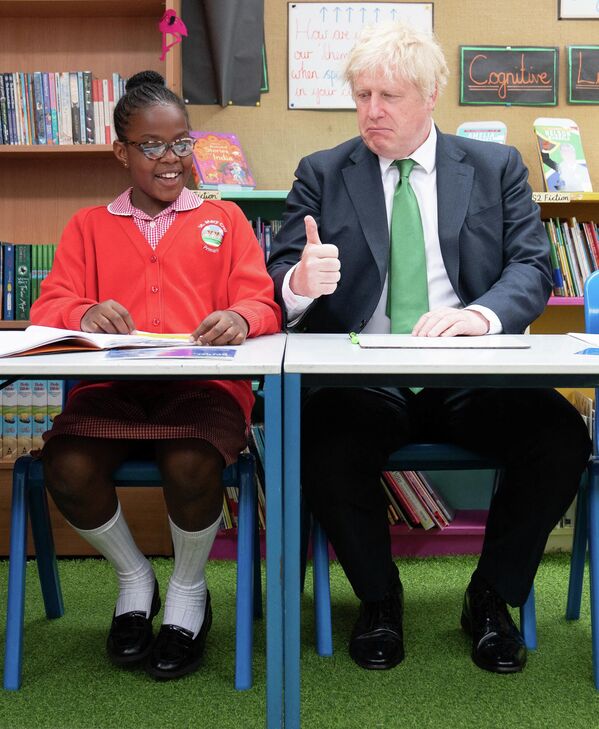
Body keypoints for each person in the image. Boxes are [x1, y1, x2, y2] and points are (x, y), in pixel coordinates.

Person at [267, 23, 591, 675]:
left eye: (387, 94)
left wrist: (480, 314)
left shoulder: (495, 167)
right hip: (365, 376)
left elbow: (532, 268)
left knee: (559, 437)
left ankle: (491, 596)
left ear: (431, 95)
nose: (370, 110)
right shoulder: (323, 173)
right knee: (321, 439)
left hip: (468, 373)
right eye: (360, 94)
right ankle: (379, 599)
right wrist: (299, 283)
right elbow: (276, 276)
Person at [30, 70, 281, 680]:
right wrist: (84, 312)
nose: (171, 159)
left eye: (182, 143)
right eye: (152, 146)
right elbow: (47, 312)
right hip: (112, 390)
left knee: (191, 462)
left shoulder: (225, 220)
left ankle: (189, 594)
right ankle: (135, 578)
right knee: (66, 465)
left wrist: (240, 318)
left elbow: (265, 303)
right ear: (122, 151)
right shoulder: (89, 226)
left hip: (204, 391)